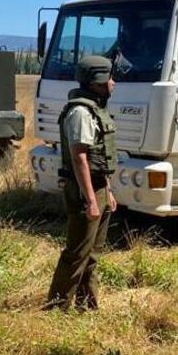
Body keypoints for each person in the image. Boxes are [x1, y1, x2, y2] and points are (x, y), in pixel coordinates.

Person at [44, 55, 118, 311]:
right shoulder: (80, 113)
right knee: (77, 252)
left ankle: (87, 305)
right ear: (97, 82)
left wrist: (107, 192)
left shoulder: (95, 109)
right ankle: (56, 307)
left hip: (97, 187)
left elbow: (99, 157)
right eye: (109, 79)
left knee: (93, 254)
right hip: (84, 190)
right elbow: (80, 158)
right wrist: (90, 200)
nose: (113, 84)